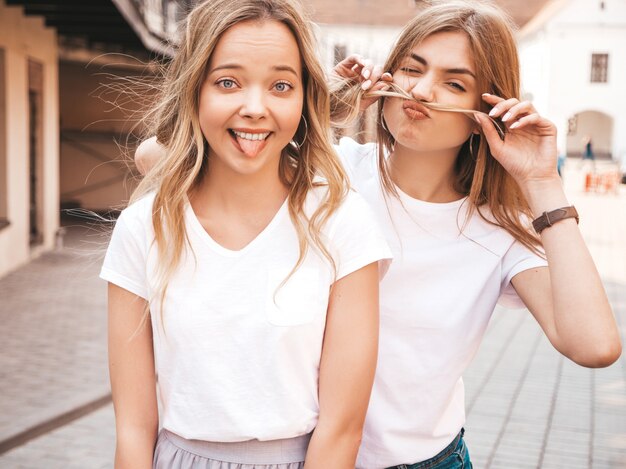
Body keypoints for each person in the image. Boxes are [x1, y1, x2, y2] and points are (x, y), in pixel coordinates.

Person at [136, 2, 622, 468]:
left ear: (485, 112)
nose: (423, 91)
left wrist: (542, 182)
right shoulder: (330, 174)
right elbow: (154, 159)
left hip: (423, 462)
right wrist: (314, 112)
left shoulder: (496, 229)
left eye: (454, 83)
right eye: (412, 69)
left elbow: (594, 345)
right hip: (305, 456)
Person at [102, 0, 391, 468]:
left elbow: (342, 431)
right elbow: (133, 431)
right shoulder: (144, 227)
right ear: (194, 91)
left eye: (280, 85)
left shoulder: (341, 222)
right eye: (228, 82)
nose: (254, 109)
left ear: (304, 99)